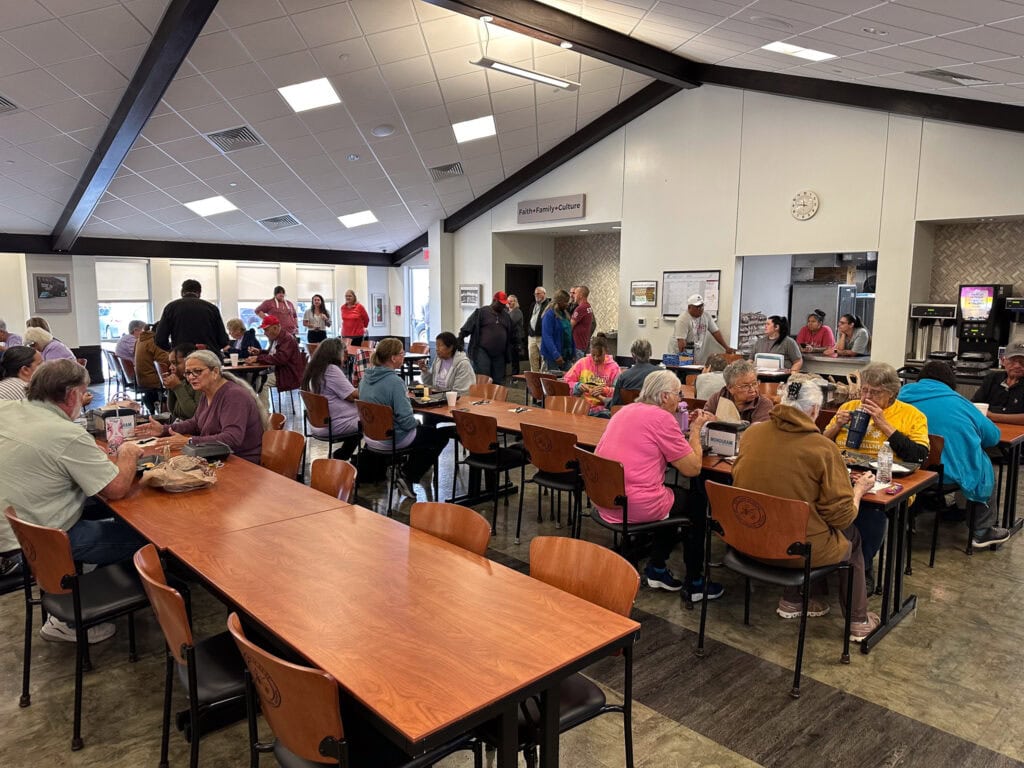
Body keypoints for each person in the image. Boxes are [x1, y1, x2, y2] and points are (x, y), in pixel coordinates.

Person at [0, 359, 146, 643]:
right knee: (146, 537)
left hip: (16, 526)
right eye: (82, 393)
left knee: (101, 511)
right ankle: (74, 614)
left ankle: (73, 594)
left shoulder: (7, 409)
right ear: (70, 395)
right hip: (46, 537)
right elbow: (115, 489)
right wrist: (128, 452)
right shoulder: (65, 432)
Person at [732, 374, 880, 642]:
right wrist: (859, 490)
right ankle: (858, 621)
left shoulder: (752, 434)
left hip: (748, 538)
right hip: (796, 550)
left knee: (799, 519)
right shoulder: (822, 448)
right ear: (814, 410)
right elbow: (842, 515)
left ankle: (794, 600)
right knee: (850, 535)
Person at [595, 370, 720, 599]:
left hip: (605, 498)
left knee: (671, 499)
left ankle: (658, 567)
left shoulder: (625, 411)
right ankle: (695, 582)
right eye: (678, 394)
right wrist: (696, 430)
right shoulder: (661, 418)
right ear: (664, 397)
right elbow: (692, 468)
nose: (680, 400)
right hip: (633, 504)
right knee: (696, 501)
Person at [823, 362, 929, 583]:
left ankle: (862, 568)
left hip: (885, 481)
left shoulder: (912, 415)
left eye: (875, 392)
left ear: (891, 394)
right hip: (842, 475)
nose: (866, 396)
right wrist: (836, 426)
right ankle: (826, 561)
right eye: (864, 390)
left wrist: (883, 423)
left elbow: (918, 455)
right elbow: (820, 445)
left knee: (870, 511)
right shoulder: (848, 407)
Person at [900, 360, 1010, 550]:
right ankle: (982, 531)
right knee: (982, 465)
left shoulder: (900, 396)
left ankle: (907, 520)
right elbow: (993, 437)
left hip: (906, 471)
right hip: (945, 476)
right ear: (951, 382)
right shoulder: (960, 403)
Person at [134, 350, 267, 463]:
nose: (191, 377)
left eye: (197, 371)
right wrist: (164, 429)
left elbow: (232, 438)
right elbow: (196, 423)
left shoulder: (234, 396)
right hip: (216, 457)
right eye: (188, 373)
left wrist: (190, 441)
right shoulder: (207, 392)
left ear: (215, 372)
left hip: (241, 462)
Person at [358, 338, 448, 499]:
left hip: (371, 437)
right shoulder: (395, 382)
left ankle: (408, 470)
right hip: (392, 438)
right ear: (393, 358)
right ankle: (408, 475)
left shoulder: (365, 378)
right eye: (401, 354)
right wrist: (417, 422)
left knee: (425, 434)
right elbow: (407, 422)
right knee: (439, 435)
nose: (403, 356)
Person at [301, 338, 359, 460]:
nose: (345, 357)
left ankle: (343, 455)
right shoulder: (331, 370)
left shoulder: (316, 368)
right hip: (333, 424)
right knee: (373, 421)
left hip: (319, 422)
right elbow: (352, 396)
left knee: (364, 422)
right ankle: (351, 458)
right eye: (344, 353)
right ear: (336, 354)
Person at [155, 279, 230, 353]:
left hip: (182, 356)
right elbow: (223, 340)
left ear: (182, 292)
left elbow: (160, 339)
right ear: (199, 293)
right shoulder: (212, 308)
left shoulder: (171, 308)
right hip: (207, 356)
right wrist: (211, 348)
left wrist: (174, 351)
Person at [458, 291, 515, 385]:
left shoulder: (506, 316)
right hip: (482, 351)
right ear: (494, 300)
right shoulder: (481, 312)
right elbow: (468, 326)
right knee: (483, 378)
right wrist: (461, 338)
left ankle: (496, 399)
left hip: (500, 354)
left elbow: (512, 332)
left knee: (498, 380)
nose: (502, 306)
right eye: (500, 303)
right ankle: (482, 399)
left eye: (504, 304)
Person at [564, 333, 620, 416]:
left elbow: (619, 393)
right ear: (590, 351)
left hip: (603, 410)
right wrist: (577, 386)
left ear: (606, 351)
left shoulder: (614, 367)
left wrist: (605, 390)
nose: (596, 359)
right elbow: (566, 382)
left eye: (599, 355)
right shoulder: (582, 363)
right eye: (593, 355)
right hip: (580, 407)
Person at [668, 294, 735, 363]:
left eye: (701, 306)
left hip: (695, 355)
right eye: (697, 307)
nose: (700, 309)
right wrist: (686, 360)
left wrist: (726, 347)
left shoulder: (706, 316)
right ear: (689, 307)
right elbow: (681, 343)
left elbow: (715, 332)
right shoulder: (683, 320)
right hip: (679, 355)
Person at [248, 315, 305, 396]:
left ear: (275, 327)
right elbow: (272, 354)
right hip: (280, 371)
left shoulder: (287, 339)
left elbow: (280, 359)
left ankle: (263, 408)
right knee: (253, 376)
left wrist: (258, 358)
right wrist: (260, 352)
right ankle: (258, 405)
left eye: (266, 330)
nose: (264, 333)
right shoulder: (276, 338)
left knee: (263, 381)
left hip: (288, 374)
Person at [703, 359, 773, 423]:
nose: (752, 390)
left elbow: (756, 433)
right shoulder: (717, 398)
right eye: (745, 386)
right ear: (730, 388)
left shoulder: (764, 404)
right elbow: (703, 422)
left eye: (755, 383)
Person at [972, 351, 1024, 424]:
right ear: (1003, 361)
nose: (1017, 366)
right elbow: (974, 405)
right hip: (987, 427)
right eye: (1012, 361)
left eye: (1022, 361)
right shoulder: (992, 378)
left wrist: (992, 416)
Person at [610, 338, 661, 406]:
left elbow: (615, 403)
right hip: (655, 415)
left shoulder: (623, 376)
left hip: (629, 414)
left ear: (633, 355)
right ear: (650, 353)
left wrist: (602, 398)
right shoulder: (661, 374)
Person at [133, 323, 168, 413]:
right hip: (153, 381)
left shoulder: (140, 340)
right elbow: (165, 361)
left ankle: (152, 402)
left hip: (141, 379)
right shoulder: (154, 342)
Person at [162, 342, 199, 421]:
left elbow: (193, 414)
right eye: (170, 363)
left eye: (175, 363)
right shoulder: (184, 381)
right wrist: (171, 388)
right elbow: (173, 411)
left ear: (190, 360)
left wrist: (177, 387)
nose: (170, 367)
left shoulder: (200, 382)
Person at [540, 289, 574, 372]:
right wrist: (555, 354)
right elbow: (547, 337)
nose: (567, 304)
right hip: (553, 357)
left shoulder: (564, 314)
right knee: (554, 383)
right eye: (565, 302)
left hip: (566, 356)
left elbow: (569, 334)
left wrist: (573, 352)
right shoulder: (549, 315)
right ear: (559, 302)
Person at [526, 286, 551, 372]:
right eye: (535, 294)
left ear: (544, 294)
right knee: (532, 358)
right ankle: (534, 378)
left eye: (538, 293)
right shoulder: (533, 304)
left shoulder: (549, 305)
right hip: (532, 336)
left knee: (544, 358)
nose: (536, 295)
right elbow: (530, 318)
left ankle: (543, 377)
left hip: (542, 336)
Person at [570, 285, 594, 359]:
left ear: (580, 295)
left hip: (577, 345)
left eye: (575, 293)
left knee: (576, 369)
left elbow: (570, 326)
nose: (573, 296)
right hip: (583, 344)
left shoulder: (580, 308)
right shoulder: (588, 306)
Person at [506, 294, 525, 362]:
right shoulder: (507, 311)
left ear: (515, 302)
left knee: (515, 360)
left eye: (511, 301)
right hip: (510, 339)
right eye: (508, 301)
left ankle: (516, 373)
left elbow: (510, 323)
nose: (509, 302)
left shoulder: (517, 312)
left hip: (516, 340)